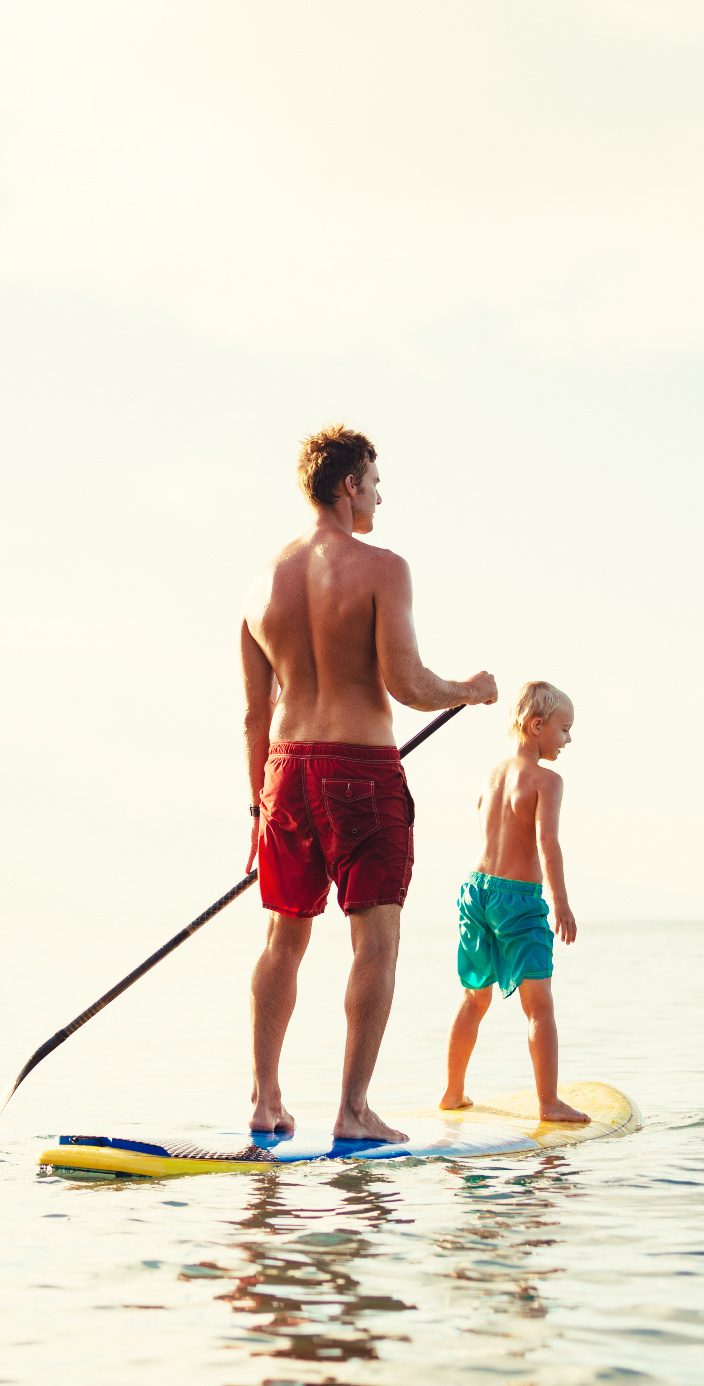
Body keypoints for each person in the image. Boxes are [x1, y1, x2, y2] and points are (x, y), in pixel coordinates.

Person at [240, 426, 497, 1142]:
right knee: (375, 941)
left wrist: (259, 808)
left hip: (284, 772)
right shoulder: (383, 566)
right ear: (348, 485)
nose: (380, 496)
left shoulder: (262, 581)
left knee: (281, 940)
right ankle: (352, 1111)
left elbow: (253, 715)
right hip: (360, 770)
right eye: (376, 483)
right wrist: (470, 690)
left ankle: (266, 1103)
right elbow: (408, 684)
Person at [439, 682, 589, 1122]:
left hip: (476, 891)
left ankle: (453, 1091)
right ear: (536, 725)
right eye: (564, 729)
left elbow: (486, 815)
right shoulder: (548, 780)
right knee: (539, 1004)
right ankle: (549, 1103)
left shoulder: (493, 774)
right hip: (518, 900)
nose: (568, 739)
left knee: (473, 997)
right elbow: (547, 842)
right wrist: (559, 903)